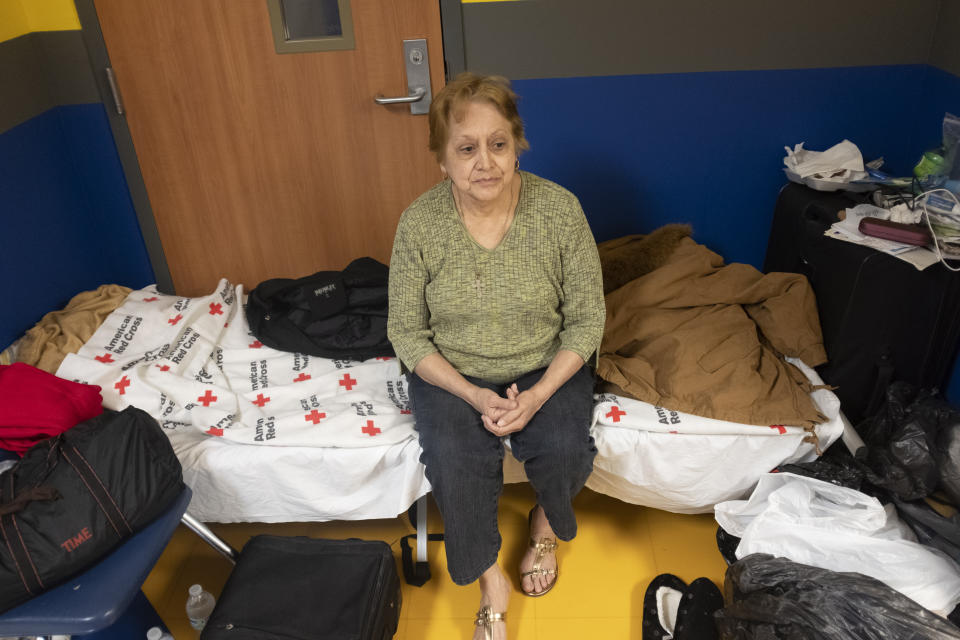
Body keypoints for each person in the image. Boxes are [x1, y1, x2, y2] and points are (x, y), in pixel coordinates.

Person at [387, 72, 605, 640]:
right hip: (452, 373)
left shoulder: (559, 211)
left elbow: (587, 320)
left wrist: (535, 395)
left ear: (517, 145)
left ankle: (543, 525)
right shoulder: (419, 224)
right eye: (466, 148)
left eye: (498, 143)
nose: (484, 161)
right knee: (453, 457)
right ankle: (491, 580)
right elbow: (407, 333)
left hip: (543, 365)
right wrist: (471, 392)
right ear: (442, 160)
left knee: (563, 447)